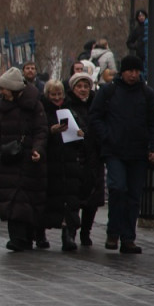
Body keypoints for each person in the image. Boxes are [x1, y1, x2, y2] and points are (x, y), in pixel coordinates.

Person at [88, 55, 154, 254]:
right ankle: (113, 232)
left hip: (138, 152)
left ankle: (128, 237)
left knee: (134, 195)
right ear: (123, 71)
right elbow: (95, 117)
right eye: (130, 71)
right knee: (118, 188)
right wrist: (107, 136)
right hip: (115, 150)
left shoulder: (146, 94)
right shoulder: (109, 91)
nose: (133, 75)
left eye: (137, 71)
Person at [0, 67, 48, 252]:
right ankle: (17, 238)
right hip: (9, 158)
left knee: (26, 199)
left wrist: (37, 149)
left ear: (13, 89)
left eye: (4, 88)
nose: (1, 92)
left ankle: (25, 238)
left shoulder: (34, 106)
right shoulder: (5, 107)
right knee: (12, 199)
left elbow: (41, 130)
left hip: (28, 159)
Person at [40, 80, 82, 251]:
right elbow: (38, 133)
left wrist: (80, 133)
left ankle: (68, 234)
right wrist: (51, 131)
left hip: (69, 162)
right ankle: (40, 232)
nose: (57, 98)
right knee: (49, 198)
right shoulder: (42, 111)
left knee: (70, 200)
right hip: (51, 161)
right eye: (53, 95)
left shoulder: (72, 110)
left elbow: (82, 136)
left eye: (59, 94)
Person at [65, 72, 103, 246]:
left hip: (93, 156)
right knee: (72, 197)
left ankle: (86, 232)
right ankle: (70, 232)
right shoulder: (67, 106)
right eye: (79, 86)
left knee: (92, 199)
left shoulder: (97, 105)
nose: (82, 90)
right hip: (75, 157)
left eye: (86, 86)